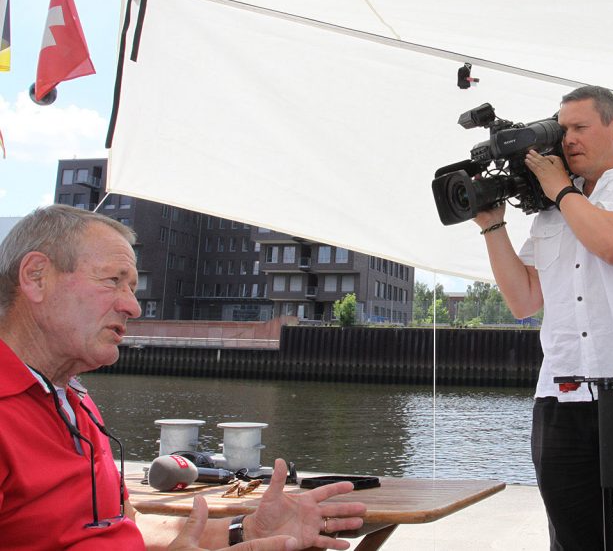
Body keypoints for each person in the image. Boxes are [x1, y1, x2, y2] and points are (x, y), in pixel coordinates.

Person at [0, 205, 367, 550]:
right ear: (36, 277)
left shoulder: (72, 401)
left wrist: (246, 530)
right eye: (114, 280)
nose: (133, 306)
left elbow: (123, 526)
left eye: (131, 286)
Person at [474, 85, 613, 551]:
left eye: (578, 127)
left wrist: (561, 190)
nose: (566, 139)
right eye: (561, 128)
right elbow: (524, 300)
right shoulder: (551, 213)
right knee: (572, 540)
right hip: (560, 394)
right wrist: (492, 224)